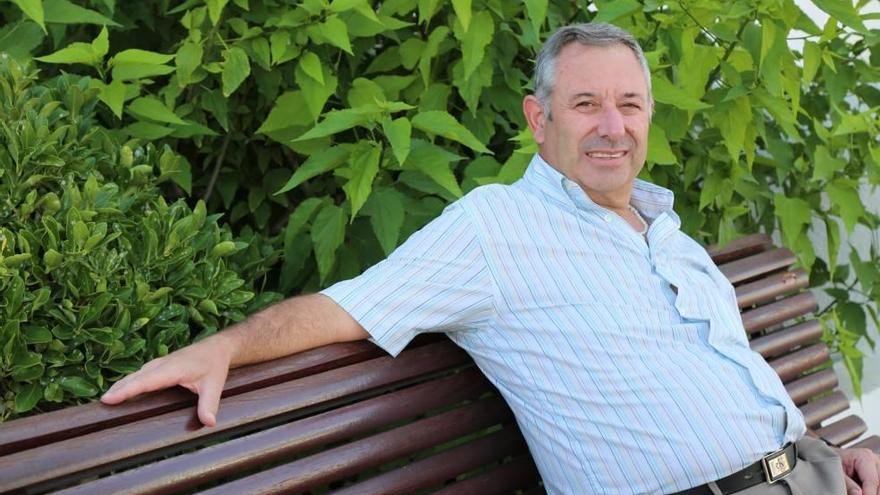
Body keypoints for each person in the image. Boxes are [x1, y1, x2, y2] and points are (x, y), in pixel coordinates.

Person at [101, 23, 880, 495]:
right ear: (538, 121)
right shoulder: (495, 229)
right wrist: (227, 344)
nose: (612, 126)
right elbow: (353, 303)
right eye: (585, 105)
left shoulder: (665, 229)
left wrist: (844, 454)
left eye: (630, 105)